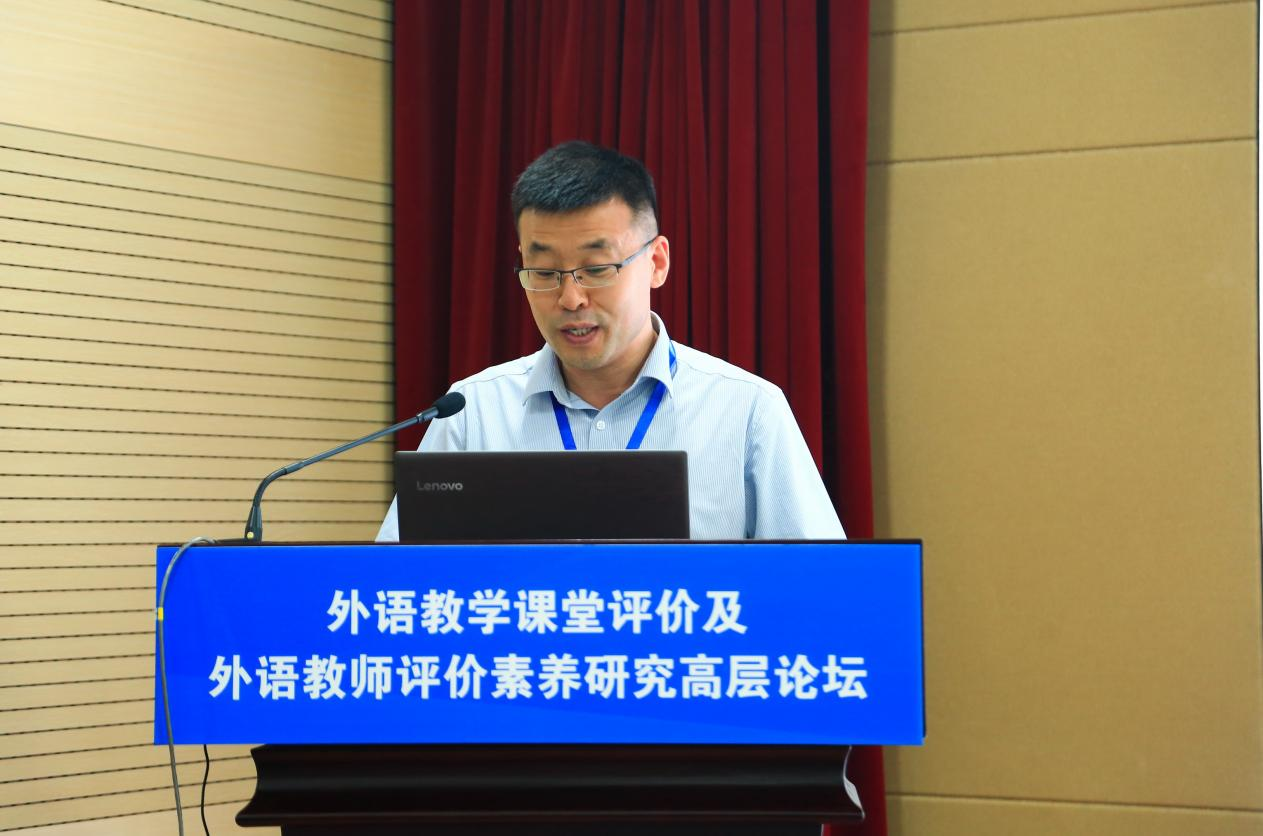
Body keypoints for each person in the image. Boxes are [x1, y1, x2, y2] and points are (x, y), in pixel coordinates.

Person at [377, 141, 843, 540]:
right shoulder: (472, 413)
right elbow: (395, 584)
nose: (570, 298)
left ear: (656, 262)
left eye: (597, 269)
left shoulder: (747, 411)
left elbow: (824, 588)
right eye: (544, 272)